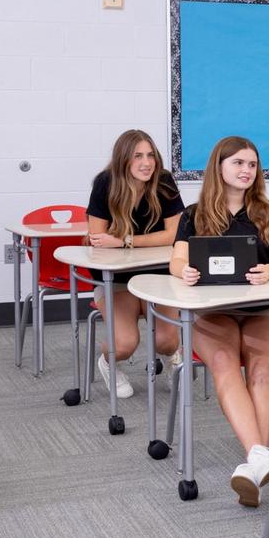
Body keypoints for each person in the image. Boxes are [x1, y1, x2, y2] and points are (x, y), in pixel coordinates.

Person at [169, 136, 269, 507]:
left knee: (260, 369)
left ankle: (255, 462)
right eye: (238, 163)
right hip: (212, 312)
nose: (246, 171)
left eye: (252, 165)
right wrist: (185, 272)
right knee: (223, 363)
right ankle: (260, 456)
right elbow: (176, 261)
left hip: (258, 309)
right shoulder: (194, 214)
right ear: (219, 168)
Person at [86, 129, 185, 399]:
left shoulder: (163, 181)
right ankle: (108, 364)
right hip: (117, 279)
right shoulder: (106, 183)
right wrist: (131, 243)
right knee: (126, 344)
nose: (147, 162)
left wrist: (125, 241)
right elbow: (97, 239)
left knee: (166, 340)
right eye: (138, 156)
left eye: (151, 155)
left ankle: (174, 356)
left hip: (159, 275)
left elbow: (175, 234)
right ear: (123, 160)